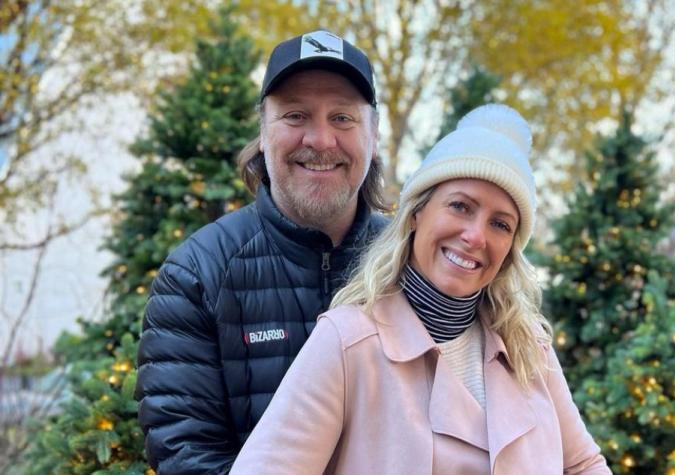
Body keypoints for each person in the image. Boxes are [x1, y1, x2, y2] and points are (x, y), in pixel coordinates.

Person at [231, 104, 610, 474]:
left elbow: (583, 464)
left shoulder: (530, 349)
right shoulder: (348, 342)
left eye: (501, 224)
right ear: (416, 214)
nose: (476, 236)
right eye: (460, 206)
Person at [134, 30, 388, 474]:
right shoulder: (196, 276)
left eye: (343, 118)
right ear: (264, 132)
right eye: (295, 115)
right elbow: (189, 458)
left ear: (374, 134)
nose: (321, 140)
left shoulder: (413, 264)